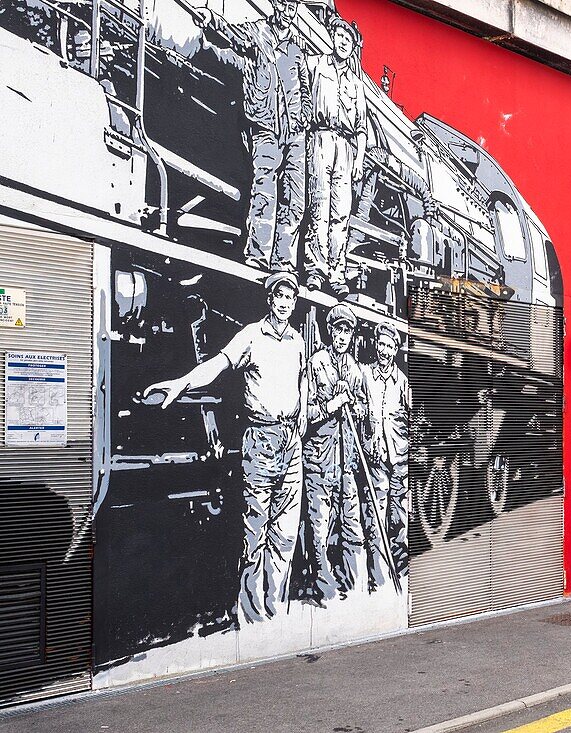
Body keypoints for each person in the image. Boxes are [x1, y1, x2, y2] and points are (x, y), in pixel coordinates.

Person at [143, 272, 307, 623]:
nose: (284, 303)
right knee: (255, 533)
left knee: (285, 535)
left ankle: (274, 615)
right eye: (279, 296)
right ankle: (252, 619)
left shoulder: (297, 340)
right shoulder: (251, 335)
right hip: (261, 441)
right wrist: (184, 382)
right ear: (270, 299)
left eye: (290, 298)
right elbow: (217, 365)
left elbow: (301, 380)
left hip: (291, 442)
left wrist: (303, 415)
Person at [193, 0, 310, 273]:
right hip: (265, 125)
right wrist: (210, 17)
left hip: (294, 132)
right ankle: (258, 255)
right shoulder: (258, 34)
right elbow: (232, 34)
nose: (289, 10)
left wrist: (303, 117)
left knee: (294, 201)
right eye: (286, 3)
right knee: (265, 191)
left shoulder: (296, 48)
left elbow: (305, 88)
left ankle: (284, 261)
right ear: (276, 5)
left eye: (294, 6)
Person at [303, 304, 368, 604]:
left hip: (347, 460)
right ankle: (322, 585)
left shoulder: (355, 370)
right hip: (319, 457)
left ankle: (353, 584)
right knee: (319, 524)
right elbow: (305, 414)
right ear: (330, 331)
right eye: (338, 330)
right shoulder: (316, 364)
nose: (342, 336)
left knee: (352, 522)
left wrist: (355, 406)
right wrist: (333, 403)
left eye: (347, 331)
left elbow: (363, 414)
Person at [303, 16, 369, 297]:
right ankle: (315, 269)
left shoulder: (356, 84)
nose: (343, 42)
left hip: (346, 146)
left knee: (341, 213)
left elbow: (362, 128)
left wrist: (359, 159)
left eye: (348, 39)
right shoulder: (315, 64)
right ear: (333, 36)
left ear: (353, 47)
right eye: (340, 36)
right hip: (320, 138)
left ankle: (336, 272)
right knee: (319, 206)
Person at [363, 321, 410, 582]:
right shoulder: (366, 376)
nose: (384, 350)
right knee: (376, 511)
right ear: (376, 345)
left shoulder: (402, 382)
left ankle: (400, 563)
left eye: (389, 346)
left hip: (399, 457)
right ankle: (378, 570)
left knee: (398, 512)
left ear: (395, 350)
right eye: (381, 344)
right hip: (377, 456)